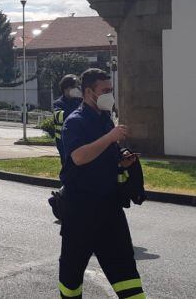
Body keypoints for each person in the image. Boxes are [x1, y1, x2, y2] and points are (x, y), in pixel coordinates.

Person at [57, 69, 144, 299]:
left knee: (125, 268)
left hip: (109, 208)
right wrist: (110, 137)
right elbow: (78, 157)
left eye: (111, 90)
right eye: (105, 90)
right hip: (81, 210)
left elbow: (105, 155)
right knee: (72, 272)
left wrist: (122, 161)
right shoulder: (75, 122)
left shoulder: (105, 119)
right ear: (89, 92)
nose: (110, 95)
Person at [52, 74, 83, 156]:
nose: (76, 89)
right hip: (63, 142)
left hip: (78, 139)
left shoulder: (80, 101)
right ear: (65, 88)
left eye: (78, 87)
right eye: (73, 87)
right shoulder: (58, 104)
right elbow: (60, 117)